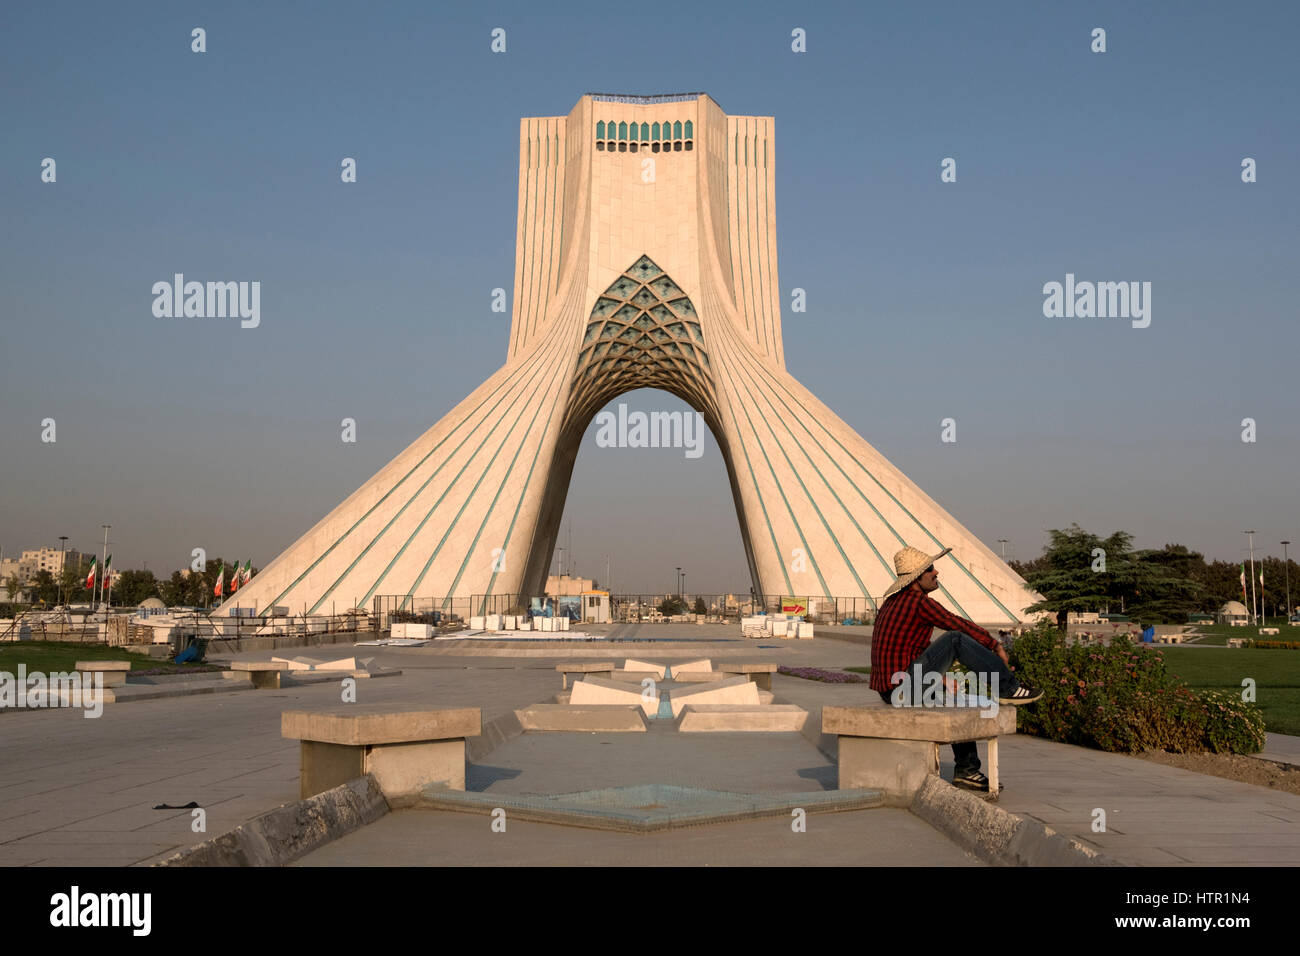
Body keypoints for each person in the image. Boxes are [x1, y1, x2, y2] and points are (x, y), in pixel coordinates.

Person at [870, 546, 1042, 792]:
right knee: (954, 639)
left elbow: (907, 648)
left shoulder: (892, 602)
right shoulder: (919, 602)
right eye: (930, 569)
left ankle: (967, 772)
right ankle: (1009, 687)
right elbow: (956, 624)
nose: (936, 572)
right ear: (917, 578)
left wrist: (938, 677)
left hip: (894, 688)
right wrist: (993, 644)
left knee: (959, 700)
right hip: (902, 688)